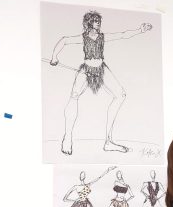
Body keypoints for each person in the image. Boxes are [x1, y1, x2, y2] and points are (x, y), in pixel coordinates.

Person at [50, 11, 152, 155]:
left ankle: (108, 142)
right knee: (74, 95)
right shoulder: (83, 38)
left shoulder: (103, 37)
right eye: (95, 20)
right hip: (86, 70)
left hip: (101, 69)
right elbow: (64, 40)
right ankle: (67, 138)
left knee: (120, 95)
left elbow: (122, 35)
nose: (98, 23)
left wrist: (140, 30)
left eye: (99, 20)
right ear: (89, 23)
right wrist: (54, 57)